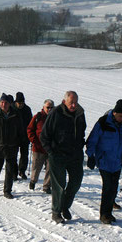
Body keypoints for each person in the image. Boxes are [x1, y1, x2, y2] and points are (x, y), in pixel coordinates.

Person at [86, 99, 122, 225]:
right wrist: (91, 156)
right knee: (108, 187)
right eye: (120, 115)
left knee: (113, 187)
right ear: (114, 113)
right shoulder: (103, 122)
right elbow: (92, 139)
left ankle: (108, 212)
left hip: (117, 161)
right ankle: (104, 214)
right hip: (104, 159)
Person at [40, 91, 86, 224]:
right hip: (58, 155)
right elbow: (44, 135)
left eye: (75, 102)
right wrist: (51, 151)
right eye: (71, 102)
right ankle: (56, 212)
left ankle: (65, 206)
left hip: (75, 155)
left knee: (76, 182)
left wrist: (80, 146)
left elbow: (82, 131)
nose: (73, 105)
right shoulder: (56, 113)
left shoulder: (80, 113)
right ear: (64, 101)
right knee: (59, 185)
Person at [0, 93, 24, 199]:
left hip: (12, 147)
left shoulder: (16, 114)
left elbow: (20, 130)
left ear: (9, 104)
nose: (3, 104)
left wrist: (20, 142)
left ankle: (7, 191)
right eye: (2, 102)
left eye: (6, 102)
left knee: (10, 170)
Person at [27, 99, 54, 194]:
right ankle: (33, 181)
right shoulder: (38, 117)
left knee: (50, 168)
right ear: (43, 107)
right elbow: (30, 129)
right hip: (38, 147)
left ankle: (46, 186)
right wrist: (34, 141)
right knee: (36, 167)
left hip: (51, 148)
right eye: (48, 107)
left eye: (51, 107)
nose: (49, 109)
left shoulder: (55, 118)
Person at [14, 92, 32, 180]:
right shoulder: (12, 109)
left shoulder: (27, 109)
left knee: (24, 155)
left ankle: (22, 171)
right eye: (19, 103)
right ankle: (14, 172)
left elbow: (31, 124)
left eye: (22, 103)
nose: (20, 105)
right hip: (14, 137)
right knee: (13, 155)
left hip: (25, 137)